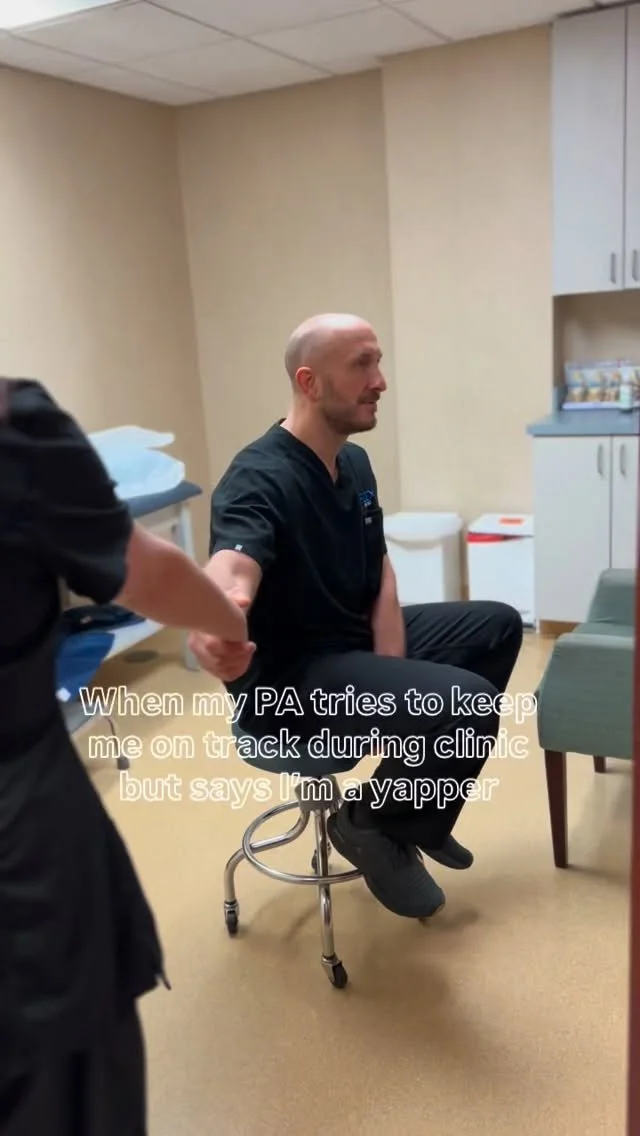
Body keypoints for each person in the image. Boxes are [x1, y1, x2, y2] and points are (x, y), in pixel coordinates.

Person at [189, 313, 523, 921]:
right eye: (362, 365)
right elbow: (233, 565)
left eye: (378, 362)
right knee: (466, 702)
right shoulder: (257, 478)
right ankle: (371, 822)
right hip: (290, 681)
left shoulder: (356, 464)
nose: (381, 381)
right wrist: (214, 618)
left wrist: (391, 669)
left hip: (351, 643)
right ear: (310, 382)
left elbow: (380, 570)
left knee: (497, 625)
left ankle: (409, 816)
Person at [0, 377, 249, 1134]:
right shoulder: (13, 426)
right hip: (24, 858)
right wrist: (229, 623)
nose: (378, 381)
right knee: (66, 1092)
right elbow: (152, 573)